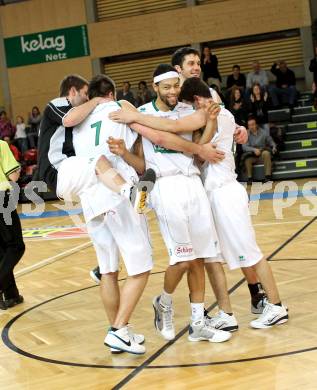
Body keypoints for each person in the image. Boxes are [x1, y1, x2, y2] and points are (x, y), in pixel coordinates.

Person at [112, 64, 231, 344]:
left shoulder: (186, 111)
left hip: (192, 182)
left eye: (176, 86)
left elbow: (195, 147)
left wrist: (211, 125)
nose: (173, 92)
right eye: (166, 87)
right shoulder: (142, 113)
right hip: (165, 186)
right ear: (155, 88)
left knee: (199, 257)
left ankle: (198, 323)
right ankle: (164, 301)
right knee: (183, 258)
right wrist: (124, 155)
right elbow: (143, 162)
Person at [179, 77, 288, 330]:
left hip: (226, 192)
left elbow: (198, 148)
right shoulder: (220, 114)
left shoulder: (217, 115)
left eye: (189, 106)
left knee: (250, 252)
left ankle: (276, 306)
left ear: (196, 101)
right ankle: (227, 315)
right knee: (219, 256)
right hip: (214, 196)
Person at [171, 47, 268, 315]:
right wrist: (198, 149)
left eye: (198, 62)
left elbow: (224, 118)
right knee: (203, 252)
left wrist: (238, 129)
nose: (197, 66)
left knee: (238, 242)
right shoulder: (173, 99)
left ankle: (255, 291)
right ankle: (205, 308)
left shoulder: (207, 92)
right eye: (191, 63)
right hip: (188, 178)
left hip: (213, 176)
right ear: (178, 69)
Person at [0, 140, 25, 311]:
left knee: (2, 248)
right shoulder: (1, 145)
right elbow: (13, 175)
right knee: (16, 246)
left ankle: (11, 295)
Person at [242, 116, 277, 184]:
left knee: (266, 153)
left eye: (252, 125)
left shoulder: (263, 132)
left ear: (256, 125)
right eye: (249, 125)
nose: (251, 127)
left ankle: (267, 176)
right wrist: (254, 150)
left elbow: (271, 141)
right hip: (252, 155)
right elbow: (244, 147)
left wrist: (274, 147)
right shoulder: (246, 134)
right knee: (247, 159)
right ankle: (250, 178)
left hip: (262, 153)